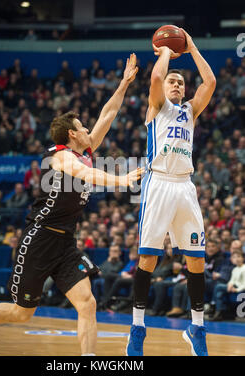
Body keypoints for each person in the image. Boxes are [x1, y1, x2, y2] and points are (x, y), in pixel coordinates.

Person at [0, 53, 142, 356]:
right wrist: (123, 179)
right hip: (39, 238)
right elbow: (85, 174)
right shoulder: (61, 156)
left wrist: (123, 84)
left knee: (87, 303)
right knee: (22, 312)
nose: (88, 130)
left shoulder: (84, 148)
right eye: (82, 127)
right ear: (72, 134)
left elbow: (108, 114)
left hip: (65, 242)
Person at [127, 29, 216, 357]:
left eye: (181, 82)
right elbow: (155, 79)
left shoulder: (190, 111)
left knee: (196, 262)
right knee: (148, 259)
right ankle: (138, 328)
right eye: (172, 81)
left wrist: (190, 46)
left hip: (185, 186)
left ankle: (197, 329)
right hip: (159, 183)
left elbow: (210, 84)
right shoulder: (156, 107)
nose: (177, 84)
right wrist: (164, 50)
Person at [210, 250, 245, 321]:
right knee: (219, 293)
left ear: (243, 258)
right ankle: (218, 314)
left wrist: (236, 290)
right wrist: (229, 285)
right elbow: (232, 280)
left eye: (239, 257)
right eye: (235, 257)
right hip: (233, 286)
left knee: (218, 286)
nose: (237, 259)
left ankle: (213, 305)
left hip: (239, 288)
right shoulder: (235, 269)